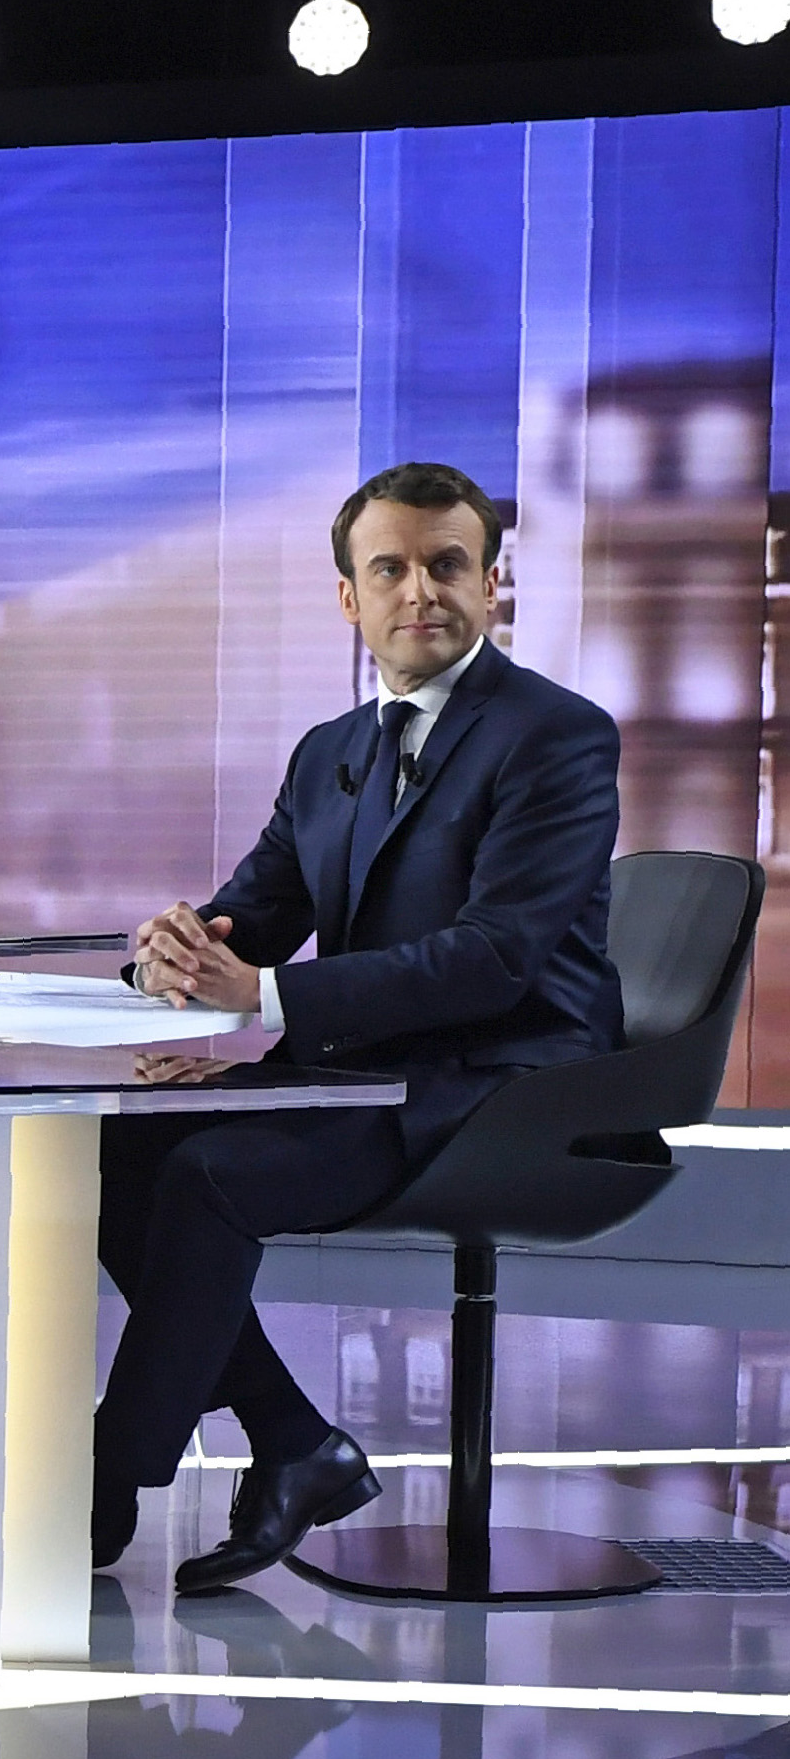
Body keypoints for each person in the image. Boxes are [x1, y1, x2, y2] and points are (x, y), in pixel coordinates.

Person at [103, 461, 622, 1593]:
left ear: (494, 585)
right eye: (389, 568)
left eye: (447, 565)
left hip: (509, 1090)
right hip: (369, 1075)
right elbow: (258, 910)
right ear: (350, 597)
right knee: (114, 1147)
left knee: (209, 1173)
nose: (419, 591)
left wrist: (265, 1000)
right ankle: (296, 1443)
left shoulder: (557, 737)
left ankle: (105, 1479)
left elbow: (496, 960)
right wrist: (179, 952)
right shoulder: (330, 751)